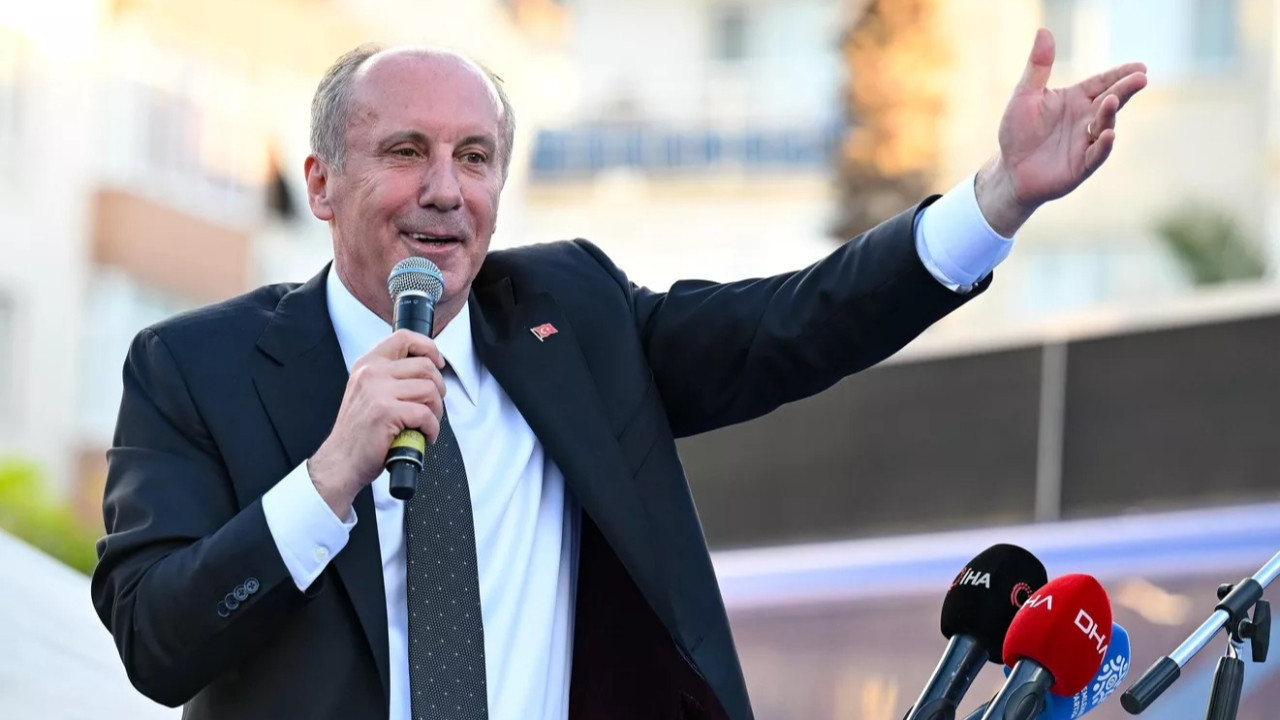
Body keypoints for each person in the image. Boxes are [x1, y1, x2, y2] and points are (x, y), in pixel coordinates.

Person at [90, 32, 1146, 720]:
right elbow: (154, 640)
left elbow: (794, 322)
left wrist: (997, 199)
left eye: (475, 157)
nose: (446, 191)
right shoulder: (194, 368)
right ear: (322, 184)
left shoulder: (574, 316)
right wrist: (327, 480)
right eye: (406, 151)